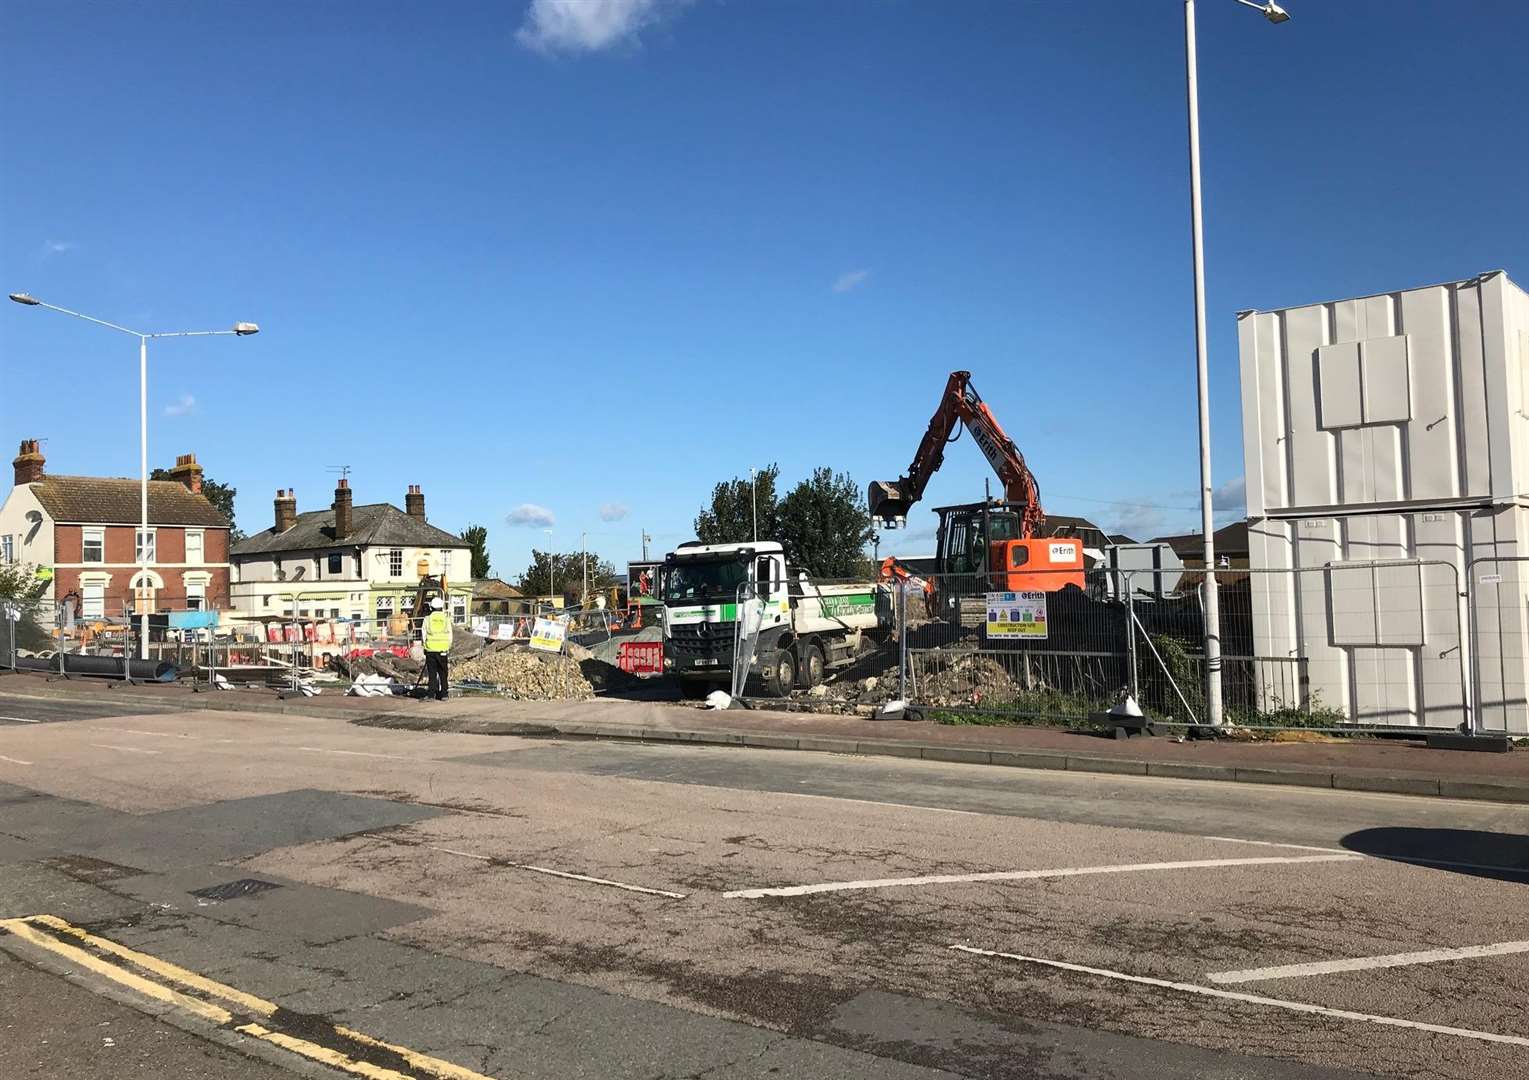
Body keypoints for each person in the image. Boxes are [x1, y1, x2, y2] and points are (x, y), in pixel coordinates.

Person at [422, 596, 453, 700]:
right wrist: (448, 646)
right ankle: (444, 694)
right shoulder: (446, 619)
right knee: (443, 673)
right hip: (443, 650)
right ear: (441, 607)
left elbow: (424, 634)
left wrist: (425, 646)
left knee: (432, 673)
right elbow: (450, 635)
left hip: (430, 649)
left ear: (431, 607)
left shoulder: (427, 619)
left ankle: (431, 694)